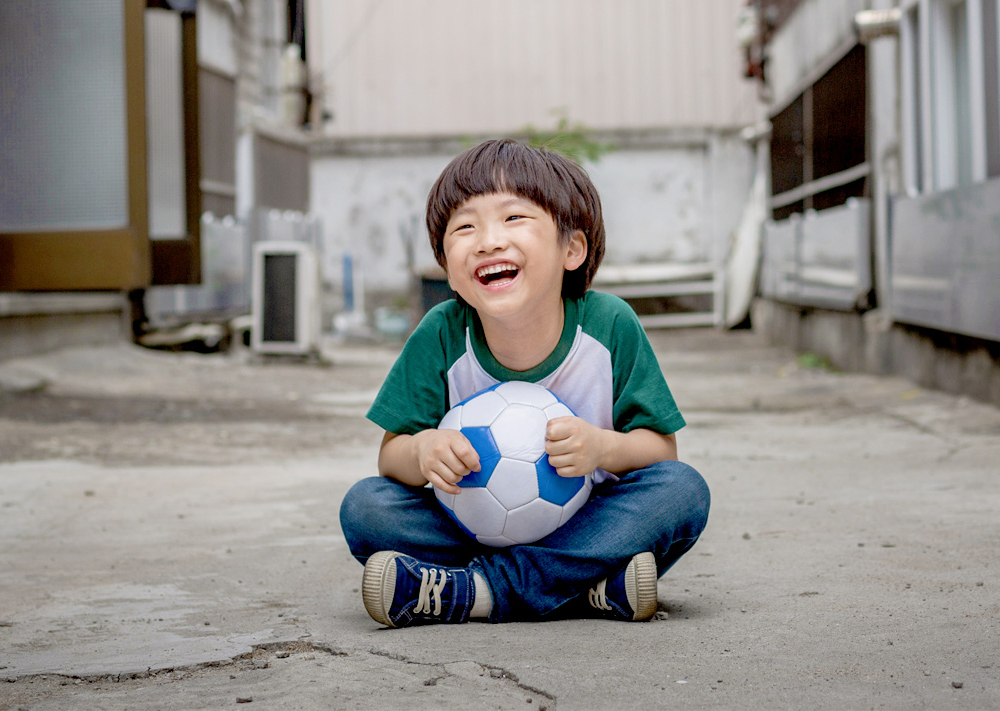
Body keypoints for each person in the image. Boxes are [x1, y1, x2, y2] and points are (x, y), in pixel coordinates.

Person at [339, 138, 710, 627]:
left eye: (514, 218)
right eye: (465, 226)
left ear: (572, 248)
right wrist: (423, 450)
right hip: (468, 527)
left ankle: (474, 592)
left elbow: (662, 451)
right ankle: (583, 588)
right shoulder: (443, 333)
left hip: (586, 523)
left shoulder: (608, 325)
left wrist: (602, 449)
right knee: (367, 507)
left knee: (681, 491)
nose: (488, 240)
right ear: (448, 269)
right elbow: (391, 456)